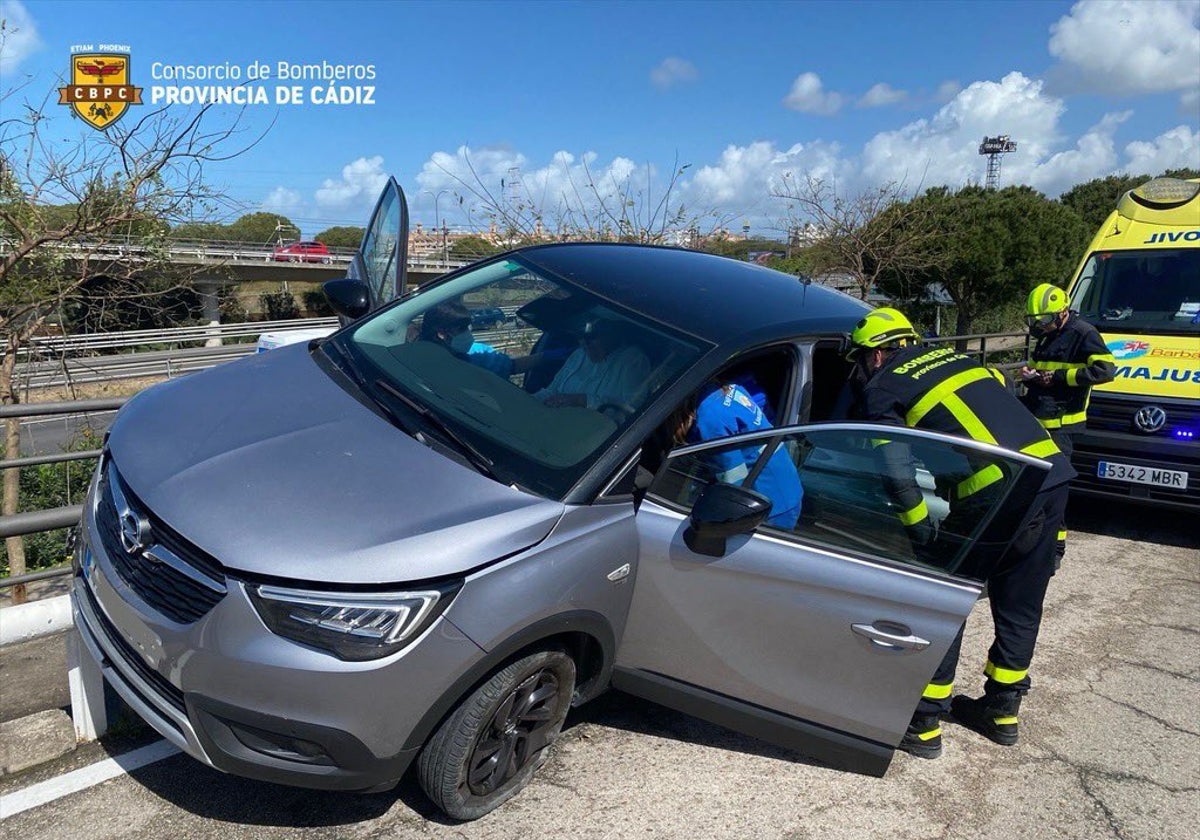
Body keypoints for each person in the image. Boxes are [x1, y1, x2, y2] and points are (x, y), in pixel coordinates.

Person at [846, 307, 1075, 760]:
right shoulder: (958, 359)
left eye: (857, 360)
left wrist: (919, 530)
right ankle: (1001, 712)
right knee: (1021, 602)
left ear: (875, 356)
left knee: (944, 600)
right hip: (1052, 479)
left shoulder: (883, 385)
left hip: (999, 492)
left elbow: (894, 468)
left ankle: (924, 722)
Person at [1019, 283, 1115, 566]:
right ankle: (1032, 539)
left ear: (1062, 313)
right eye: (1035, 320)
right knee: (1034, 484)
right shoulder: (1047, 335)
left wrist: (1060, 379)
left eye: (1045, 319)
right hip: (1038, 418)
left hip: (1062, 424)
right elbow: (1039, 364)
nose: (1039, 325)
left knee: (1055, 488)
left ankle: (1054, 549)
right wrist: (1030, 373)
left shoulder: (1083, 333)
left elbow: (1105, 370)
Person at [668, 382, 803, 529]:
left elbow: (732, 485)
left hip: (769, 506)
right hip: (786, 488)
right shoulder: (727, 389)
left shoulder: (711, 419)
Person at [535, 318, 651, 411]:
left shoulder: (632, 359)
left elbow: (633, 409)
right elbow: (551, 391)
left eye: (593, 342)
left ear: (611, 336)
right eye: (584, 343)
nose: (586, 347)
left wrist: (583, 401)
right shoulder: (579, 354)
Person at [419, 301, 542, 378]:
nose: (468, 332)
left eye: (468, 327)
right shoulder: (421, 361)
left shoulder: (478, 352)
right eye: (462, 329)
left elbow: (511, 366)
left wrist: (545, 357)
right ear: (442, 333)